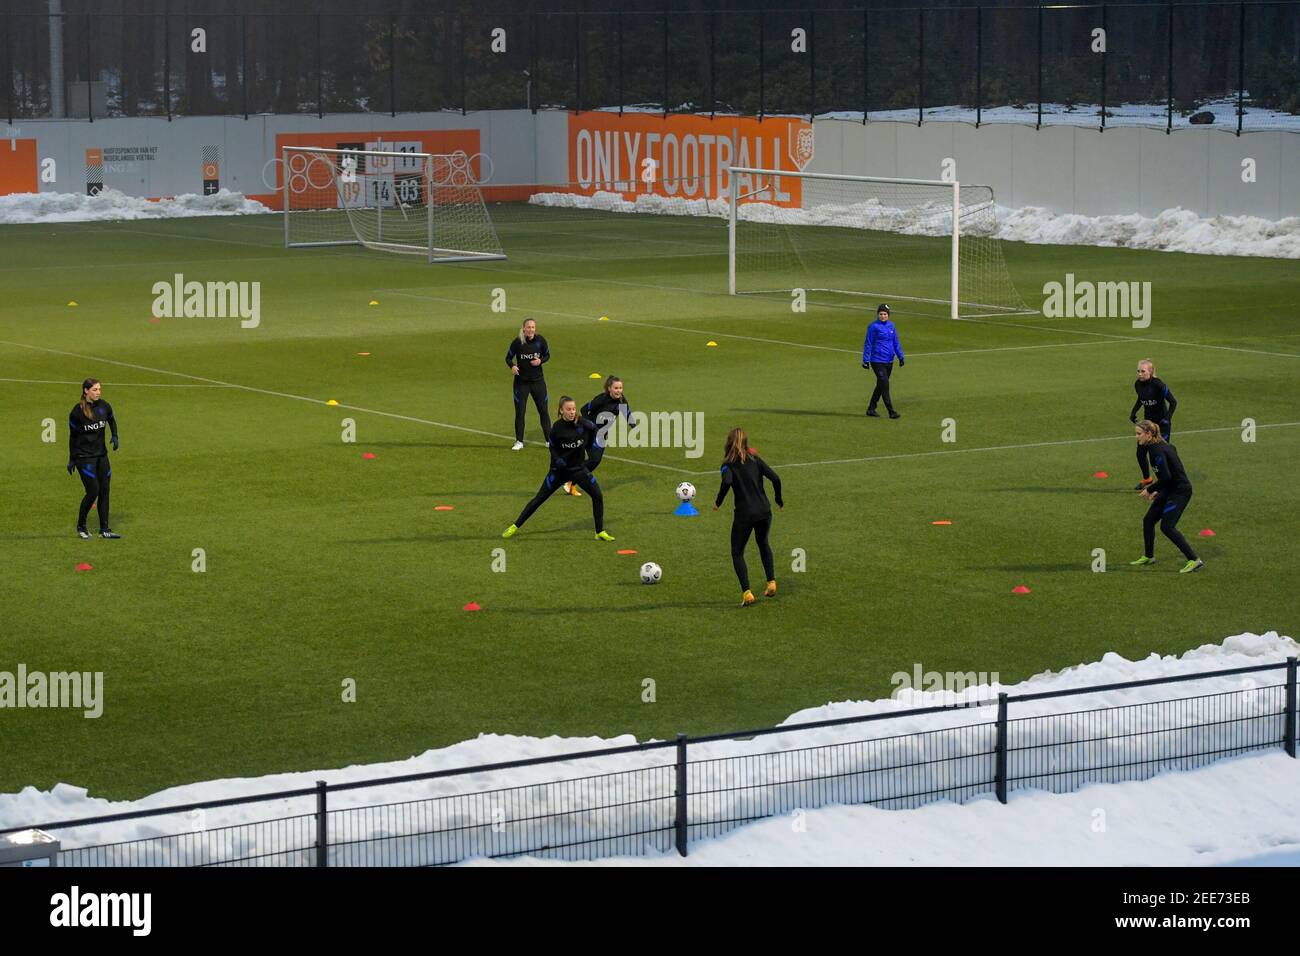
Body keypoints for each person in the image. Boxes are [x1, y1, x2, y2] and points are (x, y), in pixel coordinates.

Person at [503, 397, 615, 541]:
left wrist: (590, 447)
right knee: (539, 499)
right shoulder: (557, 428)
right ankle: (515, 526)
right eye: (568, 409)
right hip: (559, 472)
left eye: (573, 409)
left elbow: (594, 431)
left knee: (598, 496)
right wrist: (557, 459)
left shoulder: (583, 424)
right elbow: (552, 447)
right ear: (561, 411)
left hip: (579, 470)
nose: (572, 412)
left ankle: (599, 532)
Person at [712, 427, 783, 606]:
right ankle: (771, 582)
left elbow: (727, 481)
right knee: (763, 543)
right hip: (764, 511)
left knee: (737, 552)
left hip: (745, 514)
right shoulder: (755, 459)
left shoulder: (727, 465)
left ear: (728, 443)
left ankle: (747, 593)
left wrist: (718, 502)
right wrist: (778, 499)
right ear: (745, 442)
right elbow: (775, 478)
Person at [1130, 419, 1202, 573]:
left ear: (1149, 434)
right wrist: (1159, 490)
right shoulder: (1162, 447)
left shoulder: (1156, 450)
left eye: (1139, 434)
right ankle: (1149, 557)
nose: (1136, 437)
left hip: (1180, 491)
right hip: (1169, 489)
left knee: (1167, 526)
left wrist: (1150, 490)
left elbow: (1166, 477)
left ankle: (1194, 560)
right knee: (1148, 520)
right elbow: (1168, 475)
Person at [68, 378, 121, 539]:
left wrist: (115, 435)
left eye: (99, 389)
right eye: (95, 390)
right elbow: (73, 437)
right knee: (93, 491)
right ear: (86, 391)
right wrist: (71, 459)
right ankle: (81, 526)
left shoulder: (104, 406)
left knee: (105, 490)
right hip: (84, 458)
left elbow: (111, 419)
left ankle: (104, 529)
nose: (98, 392)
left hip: (101, 456)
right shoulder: (77, 412)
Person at [578, 376, 638, 493]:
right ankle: (571, 478)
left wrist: (633, 426)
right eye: (616, 388)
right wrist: (590, 425)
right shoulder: (601, 399)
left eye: (620, 388)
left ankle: (572, 478)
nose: (619, 391)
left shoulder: (621, 400)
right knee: (589, 458)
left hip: (601, 434)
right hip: (588, 432)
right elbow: (583, 409)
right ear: (609, 388)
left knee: (595, 461)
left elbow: (626, 412)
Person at [1130, 359, 1178, 490]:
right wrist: (1133, 412)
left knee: (1160, 454)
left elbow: (1173, 402)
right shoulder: (1137, 385)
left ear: (1150, 372)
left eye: (1143, 371)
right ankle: (1147, 479)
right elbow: (1141, 398)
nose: (1140, 374)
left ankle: (1167, 482)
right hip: (1147, 425)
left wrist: (1167, 418)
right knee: (1140, 453)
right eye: (1138, 371)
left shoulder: (1159, 384)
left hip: (1162, 425)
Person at [506, 318, 550, 451]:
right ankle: (519, 441)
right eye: (528, 327)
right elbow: (508, 357)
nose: (531, 329)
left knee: (543, 411)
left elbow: (547, 355)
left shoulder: (540, 341)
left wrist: (540, 361)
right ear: (523, 328)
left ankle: (549, 440)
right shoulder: (518, 342)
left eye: (533, 327)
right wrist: (512, 366)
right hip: (521, 383)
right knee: (520, 412)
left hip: (538, 382)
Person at [862, 304, 904, 418]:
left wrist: (901, 356)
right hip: (877, 361)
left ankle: (871, 409)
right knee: (885, 385)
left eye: (885, 314)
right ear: (877, 315)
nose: (883, 316)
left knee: (881, 385)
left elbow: (896, 342)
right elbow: (868, 343)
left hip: (889, 360)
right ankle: (891, 411)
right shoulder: (873, 327)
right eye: (881, 314)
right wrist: (865, 360)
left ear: (888, 315)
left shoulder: (892, 326)